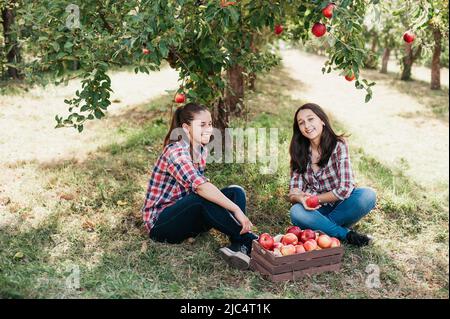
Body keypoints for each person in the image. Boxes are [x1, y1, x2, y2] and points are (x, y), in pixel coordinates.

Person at [141, 103, 257, 270]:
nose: (209, 129)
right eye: (202, 125)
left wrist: (231, 204)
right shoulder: (175, 152)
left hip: (187, 218)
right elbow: (201, 187)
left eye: (210, 124)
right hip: (162, 225)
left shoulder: (200, 150)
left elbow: (202, 188)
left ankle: (238, 246)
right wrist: (235, 210)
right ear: (186, 128)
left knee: (235, 191)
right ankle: (250, 241)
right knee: (200, 197)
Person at [288, 103, 376, 246]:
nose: (306, 125)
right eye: (301, 122)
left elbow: (345, 188)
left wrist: (315, 199)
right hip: (315, 211)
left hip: (342, 206)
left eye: (311, 119)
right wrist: (300, 198)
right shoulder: (299, 151)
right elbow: (293, 192)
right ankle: (345, 234)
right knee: (296, 211)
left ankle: (321, 228)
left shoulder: (338, 145)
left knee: (368, 195)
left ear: (322, 120)